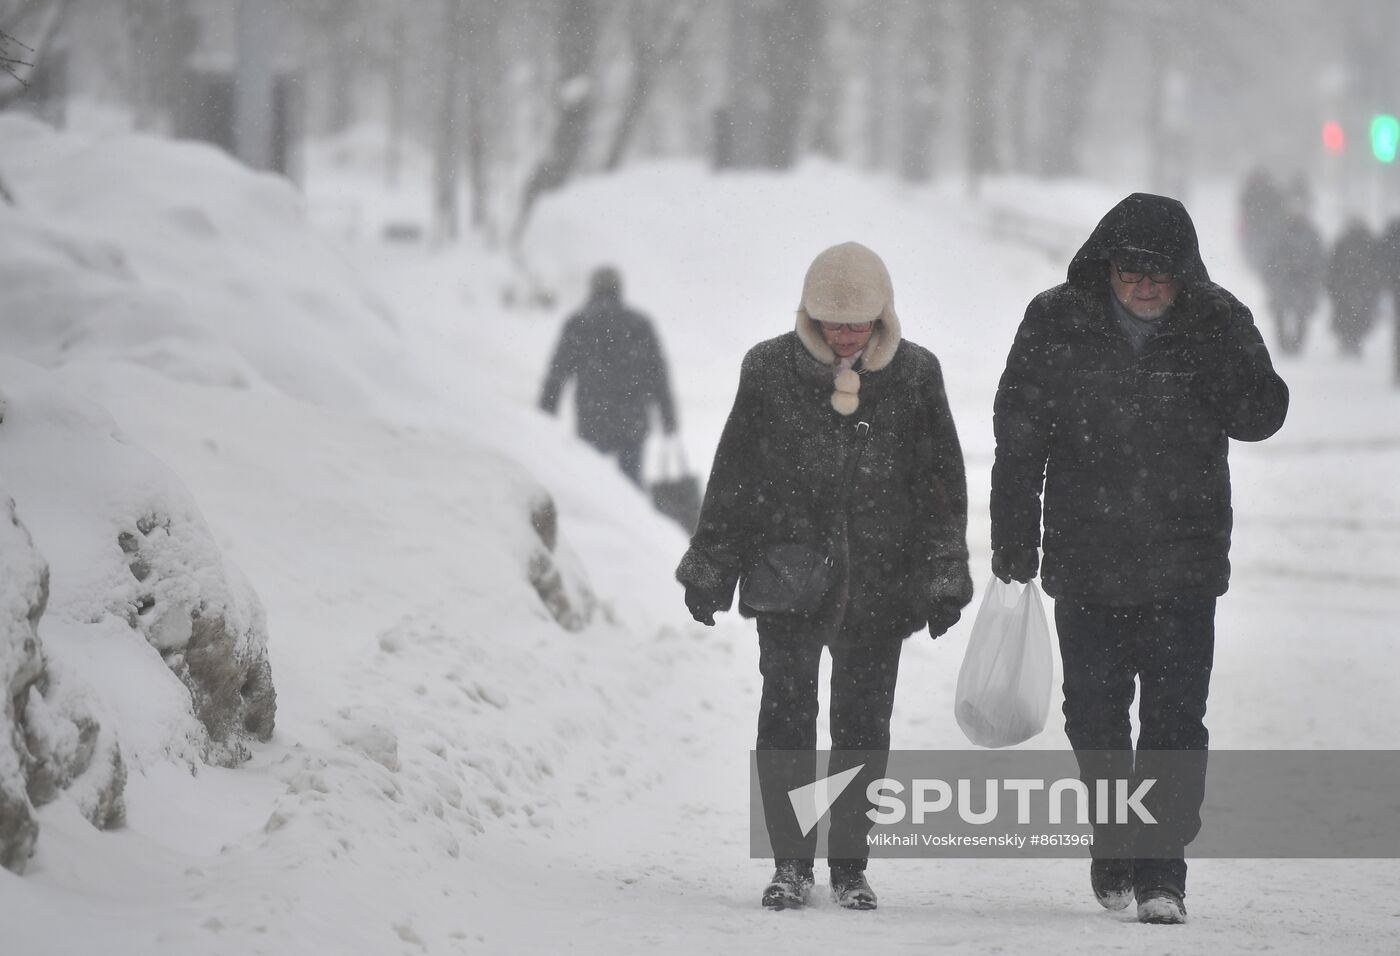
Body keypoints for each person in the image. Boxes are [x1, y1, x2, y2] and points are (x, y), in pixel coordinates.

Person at [990, 194, 1288, 925]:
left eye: (1162, 273)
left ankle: (1162, 873)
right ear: (1106, 266)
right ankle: (1112, 834)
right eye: (1131, 271)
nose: (1146, 286)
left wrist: (1218, 356)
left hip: (1184, 562)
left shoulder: (1216, 320)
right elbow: (1019, 438)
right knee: (1094, 719)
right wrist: (1013, 539)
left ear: (1184, 273)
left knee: (1175, 723)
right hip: (1086, 557)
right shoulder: (1055, 321)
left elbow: (1261, 415)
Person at [675, 242, 973, 911]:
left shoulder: (916, 374)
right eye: (833, 321)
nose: (845, 334)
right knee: (785, 723)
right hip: (787, 572)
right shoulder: (769, 369)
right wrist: (712, 565)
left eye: (857, 321)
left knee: (862, 728)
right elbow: (736, 474)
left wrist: (943, 571)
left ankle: (849, 866)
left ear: (881, 315)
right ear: (810, 315)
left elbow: (939, 485)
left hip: (880, 578)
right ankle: (789, 863)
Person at [538, 266, 677, 483]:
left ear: (593, 289)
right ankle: (630, 506)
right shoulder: (639, 323)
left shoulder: (579, 322)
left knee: (592, 485)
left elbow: (558, 372)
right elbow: (657, 373)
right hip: (632, 420)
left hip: (593, 418)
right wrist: (668, 415)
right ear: (619, 289)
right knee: (631, 487)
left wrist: (545, 414)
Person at [1325, 219, 1384, 358]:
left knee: (1356, 317)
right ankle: (1348, 341)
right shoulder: (1350, 242)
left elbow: (1375, 266)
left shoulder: (1365, 243)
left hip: (1357, 287)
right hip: (1348, 287)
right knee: (1348, 316)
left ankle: (1353, 341)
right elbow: (1334, 264)